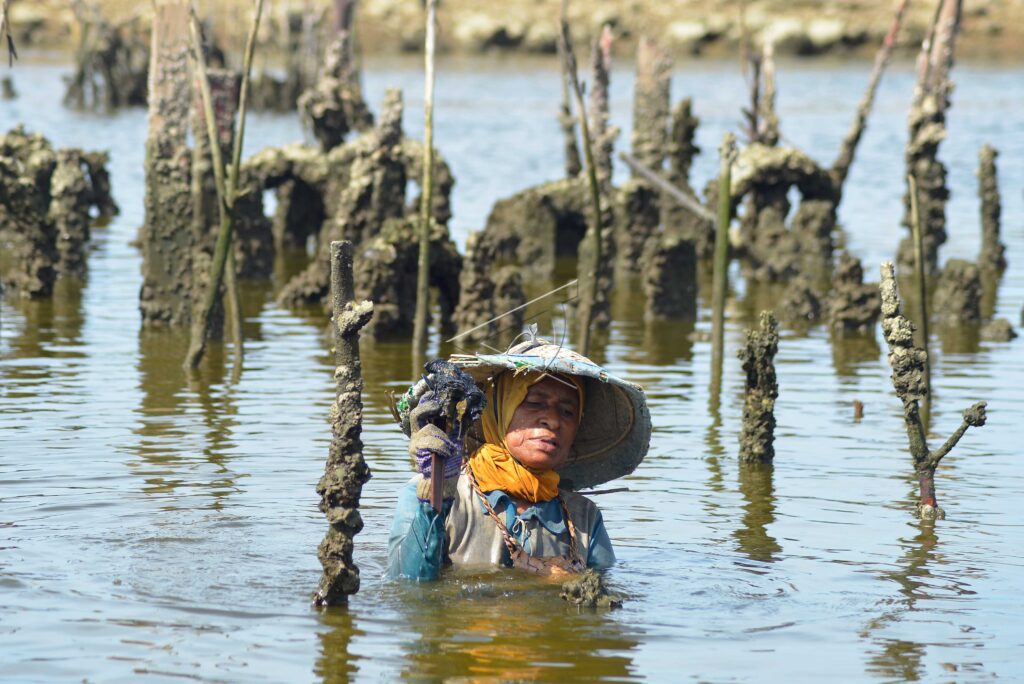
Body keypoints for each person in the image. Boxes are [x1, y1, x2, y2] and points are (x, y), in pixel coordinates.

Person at [387, 339, 651, 580]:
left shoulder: (583, 519)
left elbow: (605, 594)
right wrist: (434, 497)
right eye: (535, 403)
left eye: (568, 411)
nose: (553, 420)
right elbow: (409, 586)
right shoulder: (433, 493)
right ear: (499, 411)